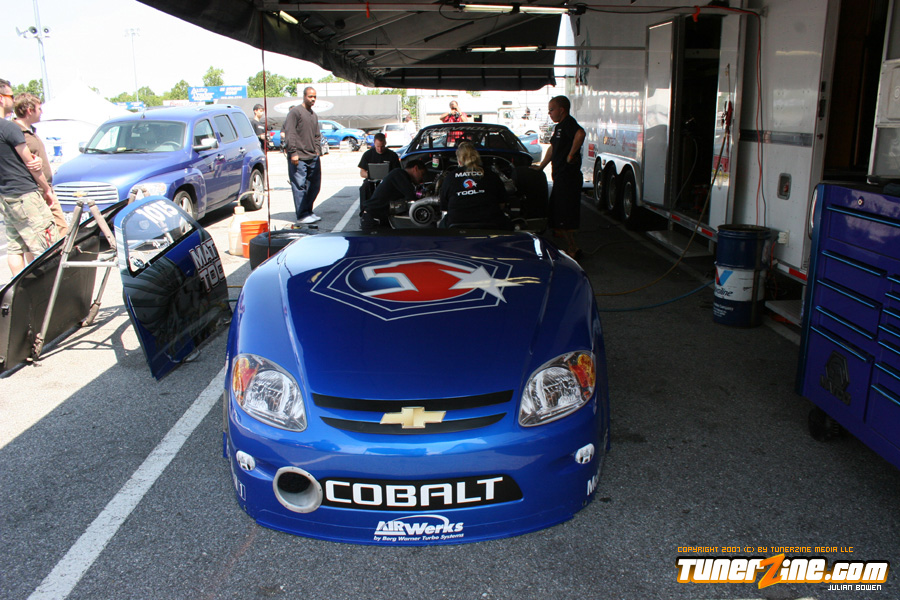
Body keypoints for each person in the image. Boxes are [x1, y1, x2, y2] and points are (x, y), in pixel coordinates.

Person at [0, 79, 59, 276]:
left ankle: (18, 286)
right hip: (25, 194)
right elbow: (31, 164)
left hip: (6, 196)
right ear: (1, 98)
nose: (13, 99)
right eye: (10, 95)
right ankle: (47, 288)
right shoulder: (9, 128)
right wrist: (47, 189)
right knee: (45, 244)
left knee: (16, 245)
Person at [533, 95, 585, 258]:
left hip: (569, 178)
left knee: (564, 215)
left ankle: (573, 249)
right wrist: (541, 166)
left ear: (561, 110)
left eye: (551, 110)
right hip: (560, 177)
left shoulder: (569, 124)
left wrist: (571, 155)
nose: (549, 113)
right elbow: (552, 148)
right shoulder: (559, 127)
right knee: (556, 212)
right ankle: (565, 244)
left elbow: (580, 134)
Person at [14, 92, 68, 237]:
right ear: (29, 110)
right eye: (39, 109)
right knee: (55, 230)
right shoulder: (17, 133)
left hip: (44, 187)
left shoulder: (30, 132)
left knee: (59, 229)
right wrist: (45, 189)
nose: (41, 112)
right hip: (36, 190)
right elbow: (30, 164)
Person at [440, 142, 512, 230]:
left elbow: (444, 207)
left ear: (459, 161)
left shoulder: (450, 177)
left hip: (456, 226)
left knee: (440, 226)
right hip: (490, 224)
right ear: (477, 157)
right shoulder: (491, 175)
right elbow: (502, 204)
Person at [283, 87, 323, 224]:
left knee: (314, 186)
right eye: (310, 96)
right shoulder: (295, 112)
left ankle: (308, 211)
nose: (313, 99)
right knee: (299, 187)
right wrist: (293, 152)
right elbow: (290, 133)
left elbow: (317, 135)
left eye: (315, 97)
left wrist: (317, 150)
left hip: (313, 156)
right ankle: (302, 215)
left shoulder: (313, 115)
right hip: (299, 158)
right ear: (304, 96)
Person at [360, 159, 427, 231]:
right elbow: (411, 196)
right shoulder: (399, 174)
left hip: (381, 217)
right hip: (373, 219)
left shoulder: (401, 176)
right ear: (415, 168)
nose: (422, 178)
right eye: (422, 174)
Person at [357, 132, 401, 210]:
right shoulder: (367, 155)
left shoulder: (392, 155)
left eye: (382, 146)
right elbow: (362, 173)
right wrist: (372, 175)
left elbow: (397, 172)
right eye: (378, 146)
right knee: (364, 188)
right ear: (374, 143)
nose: (380, 149)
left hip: (387, 182)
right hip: (371, 181)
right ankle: (364, 211)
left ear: (385, 143)